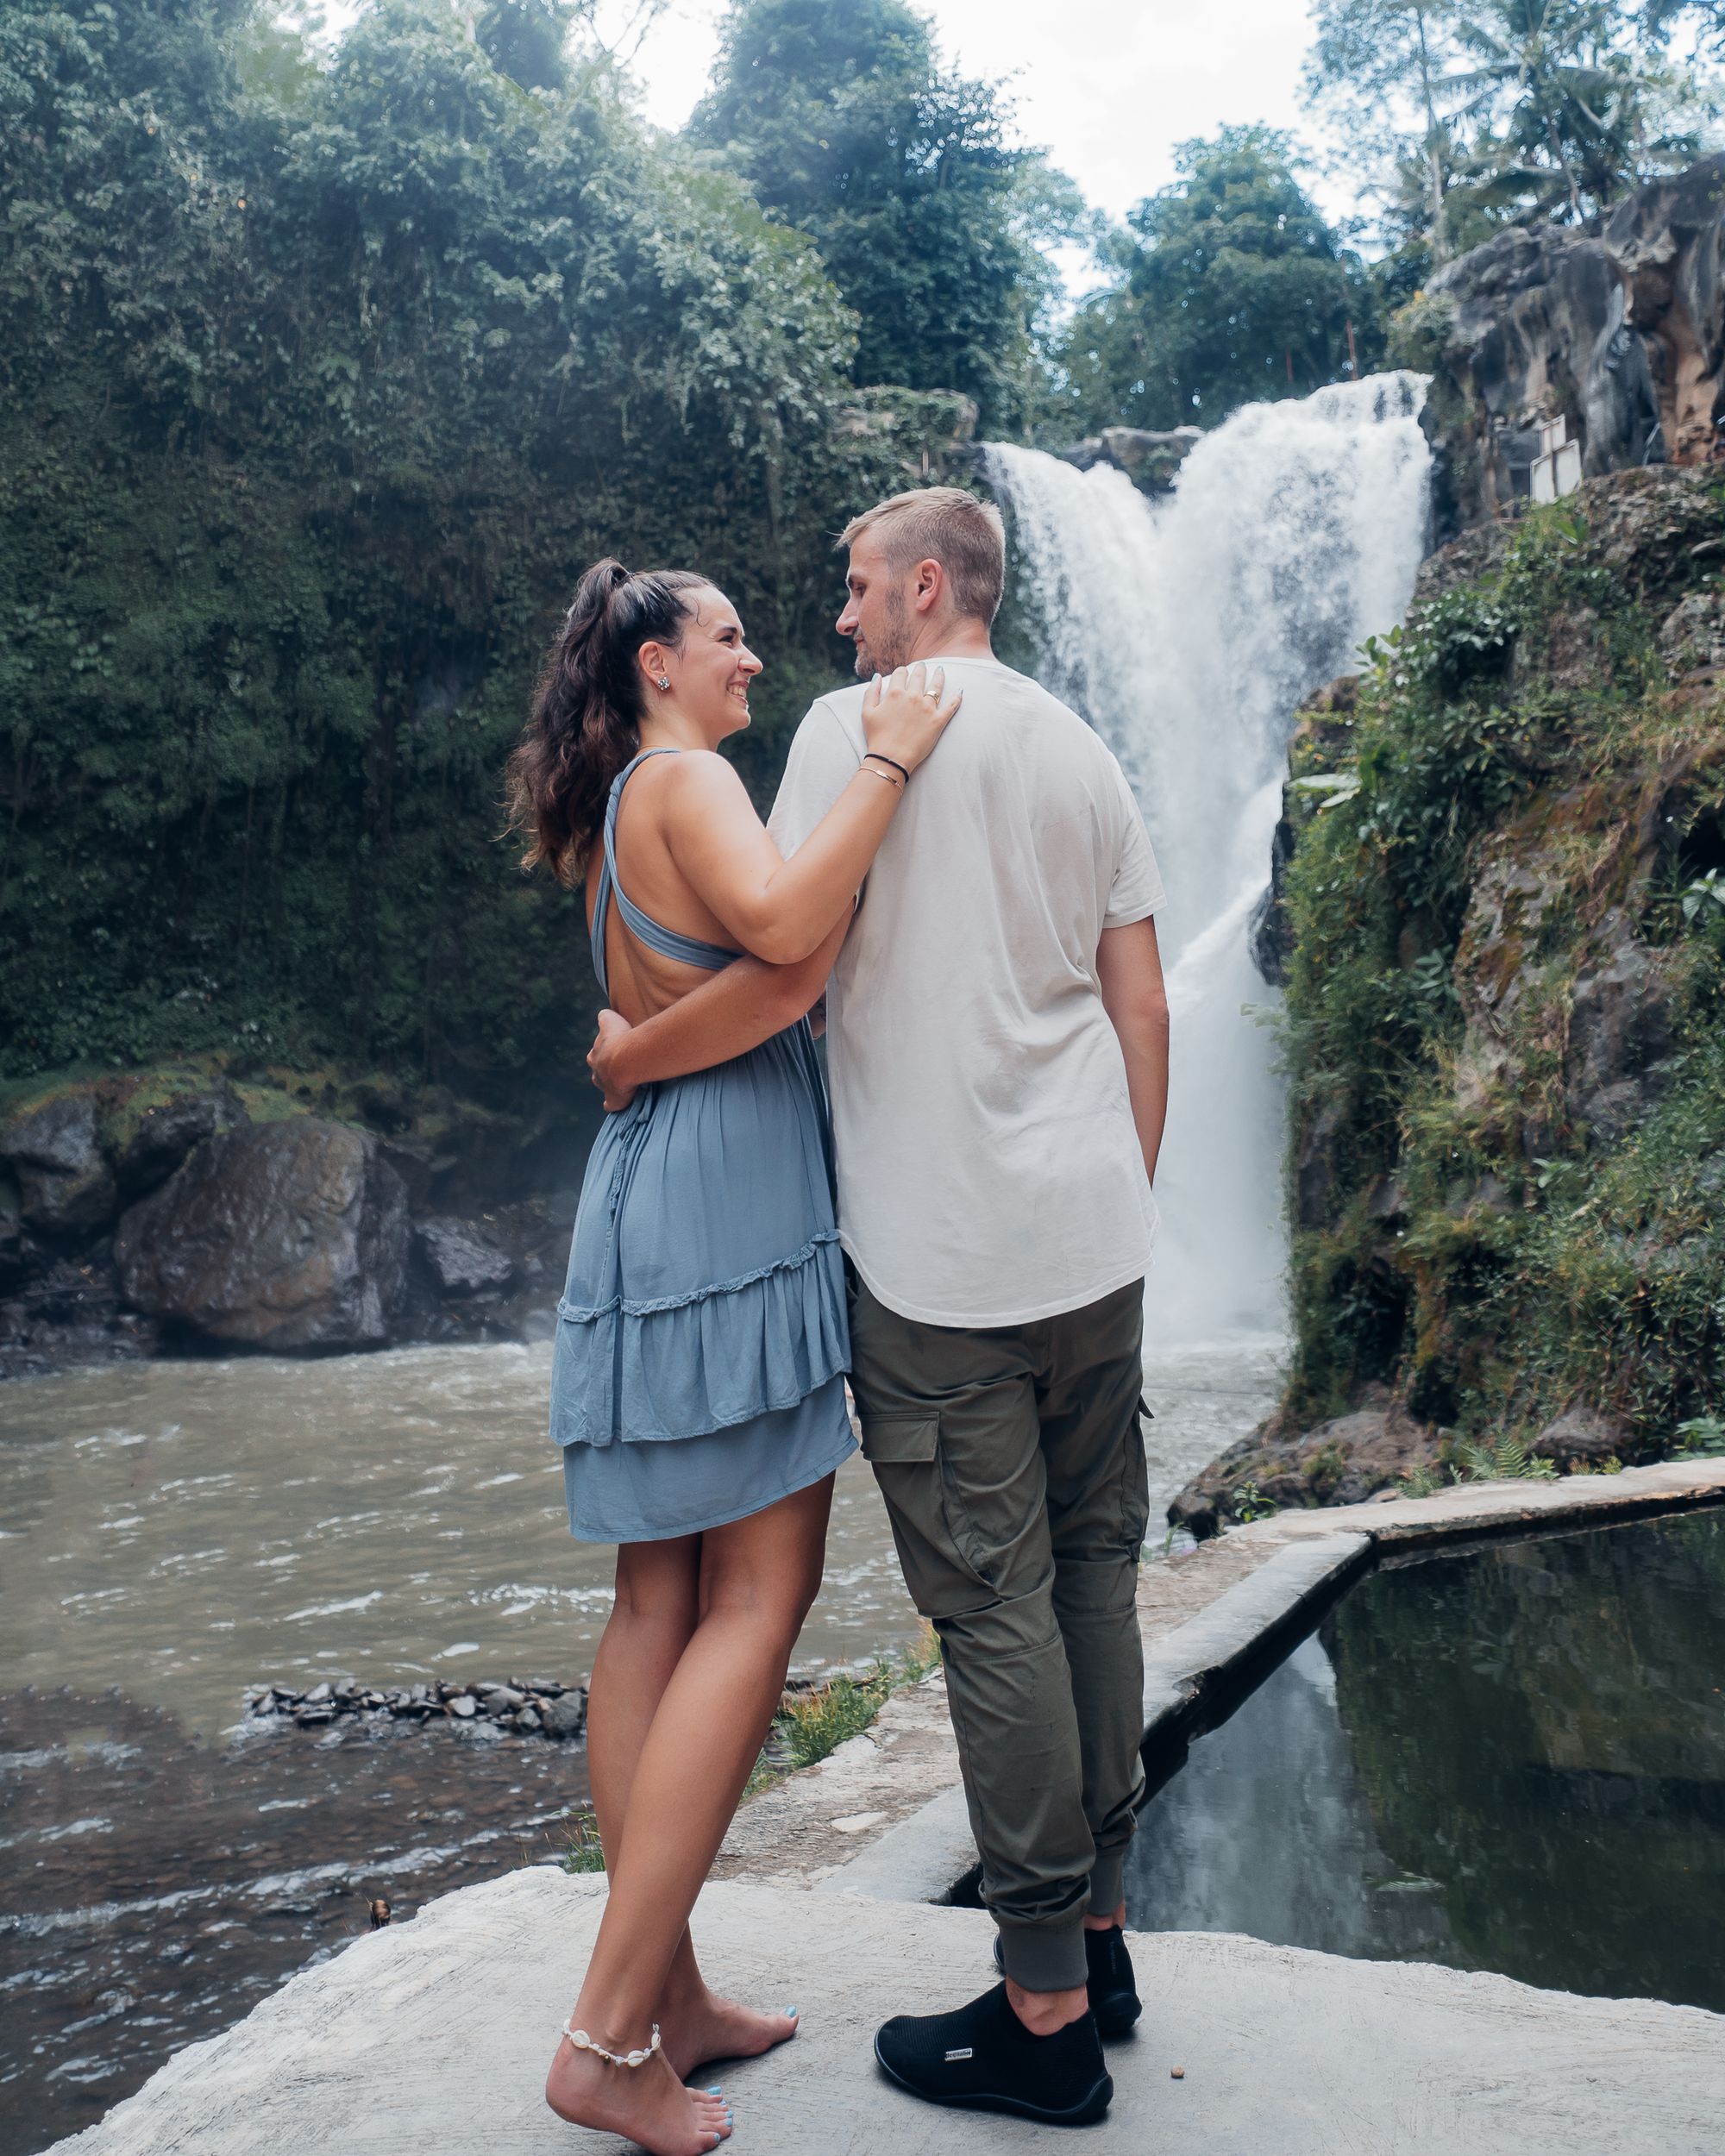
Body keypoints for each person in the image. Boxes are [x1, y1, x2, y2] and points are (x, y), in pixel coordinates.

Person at [587, 486, 1171, 2128]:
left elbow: (787, 967)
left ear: (926, 587)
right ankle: (1107, 1940)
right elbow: (1140, 999)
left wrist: (634, 1052)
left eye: (854, 590)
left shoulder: (853, 731)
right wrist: (1120, 1194)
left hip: (936, 1259)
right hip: (1091, 1234)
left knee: (992, 1610)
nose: (837, 625)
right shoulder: (1084, 743)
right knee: (1098, 1573)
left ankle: (1046, 2013)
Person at [505, 556, 960, 2156]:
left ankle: (669, 1992)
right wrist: (894, 763)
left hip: (647, 1198)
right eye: (726, 638)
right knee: (758, 1602)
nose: (755, 656)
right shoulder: (691, 779)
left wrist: (661, 1039)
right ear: (653, 666)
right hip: (732, 1198)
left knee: (654, 1602)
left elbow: (743, 982)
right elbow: (788, 936)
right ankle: (607, 2036)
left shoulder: (628, 803)